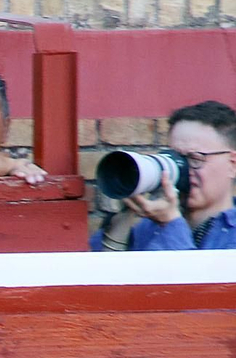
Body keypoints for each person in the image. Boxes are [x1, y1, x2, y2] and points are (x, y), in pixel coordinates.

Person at [92, 101, 236, 252]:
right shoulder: (149, 227)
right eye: (174, 157)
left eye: (195, 159)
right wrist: (124, 217)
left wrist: (170, 223)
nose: (183, 168)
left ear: (232, 165)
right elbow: (103, 272)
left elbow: (189, 275)